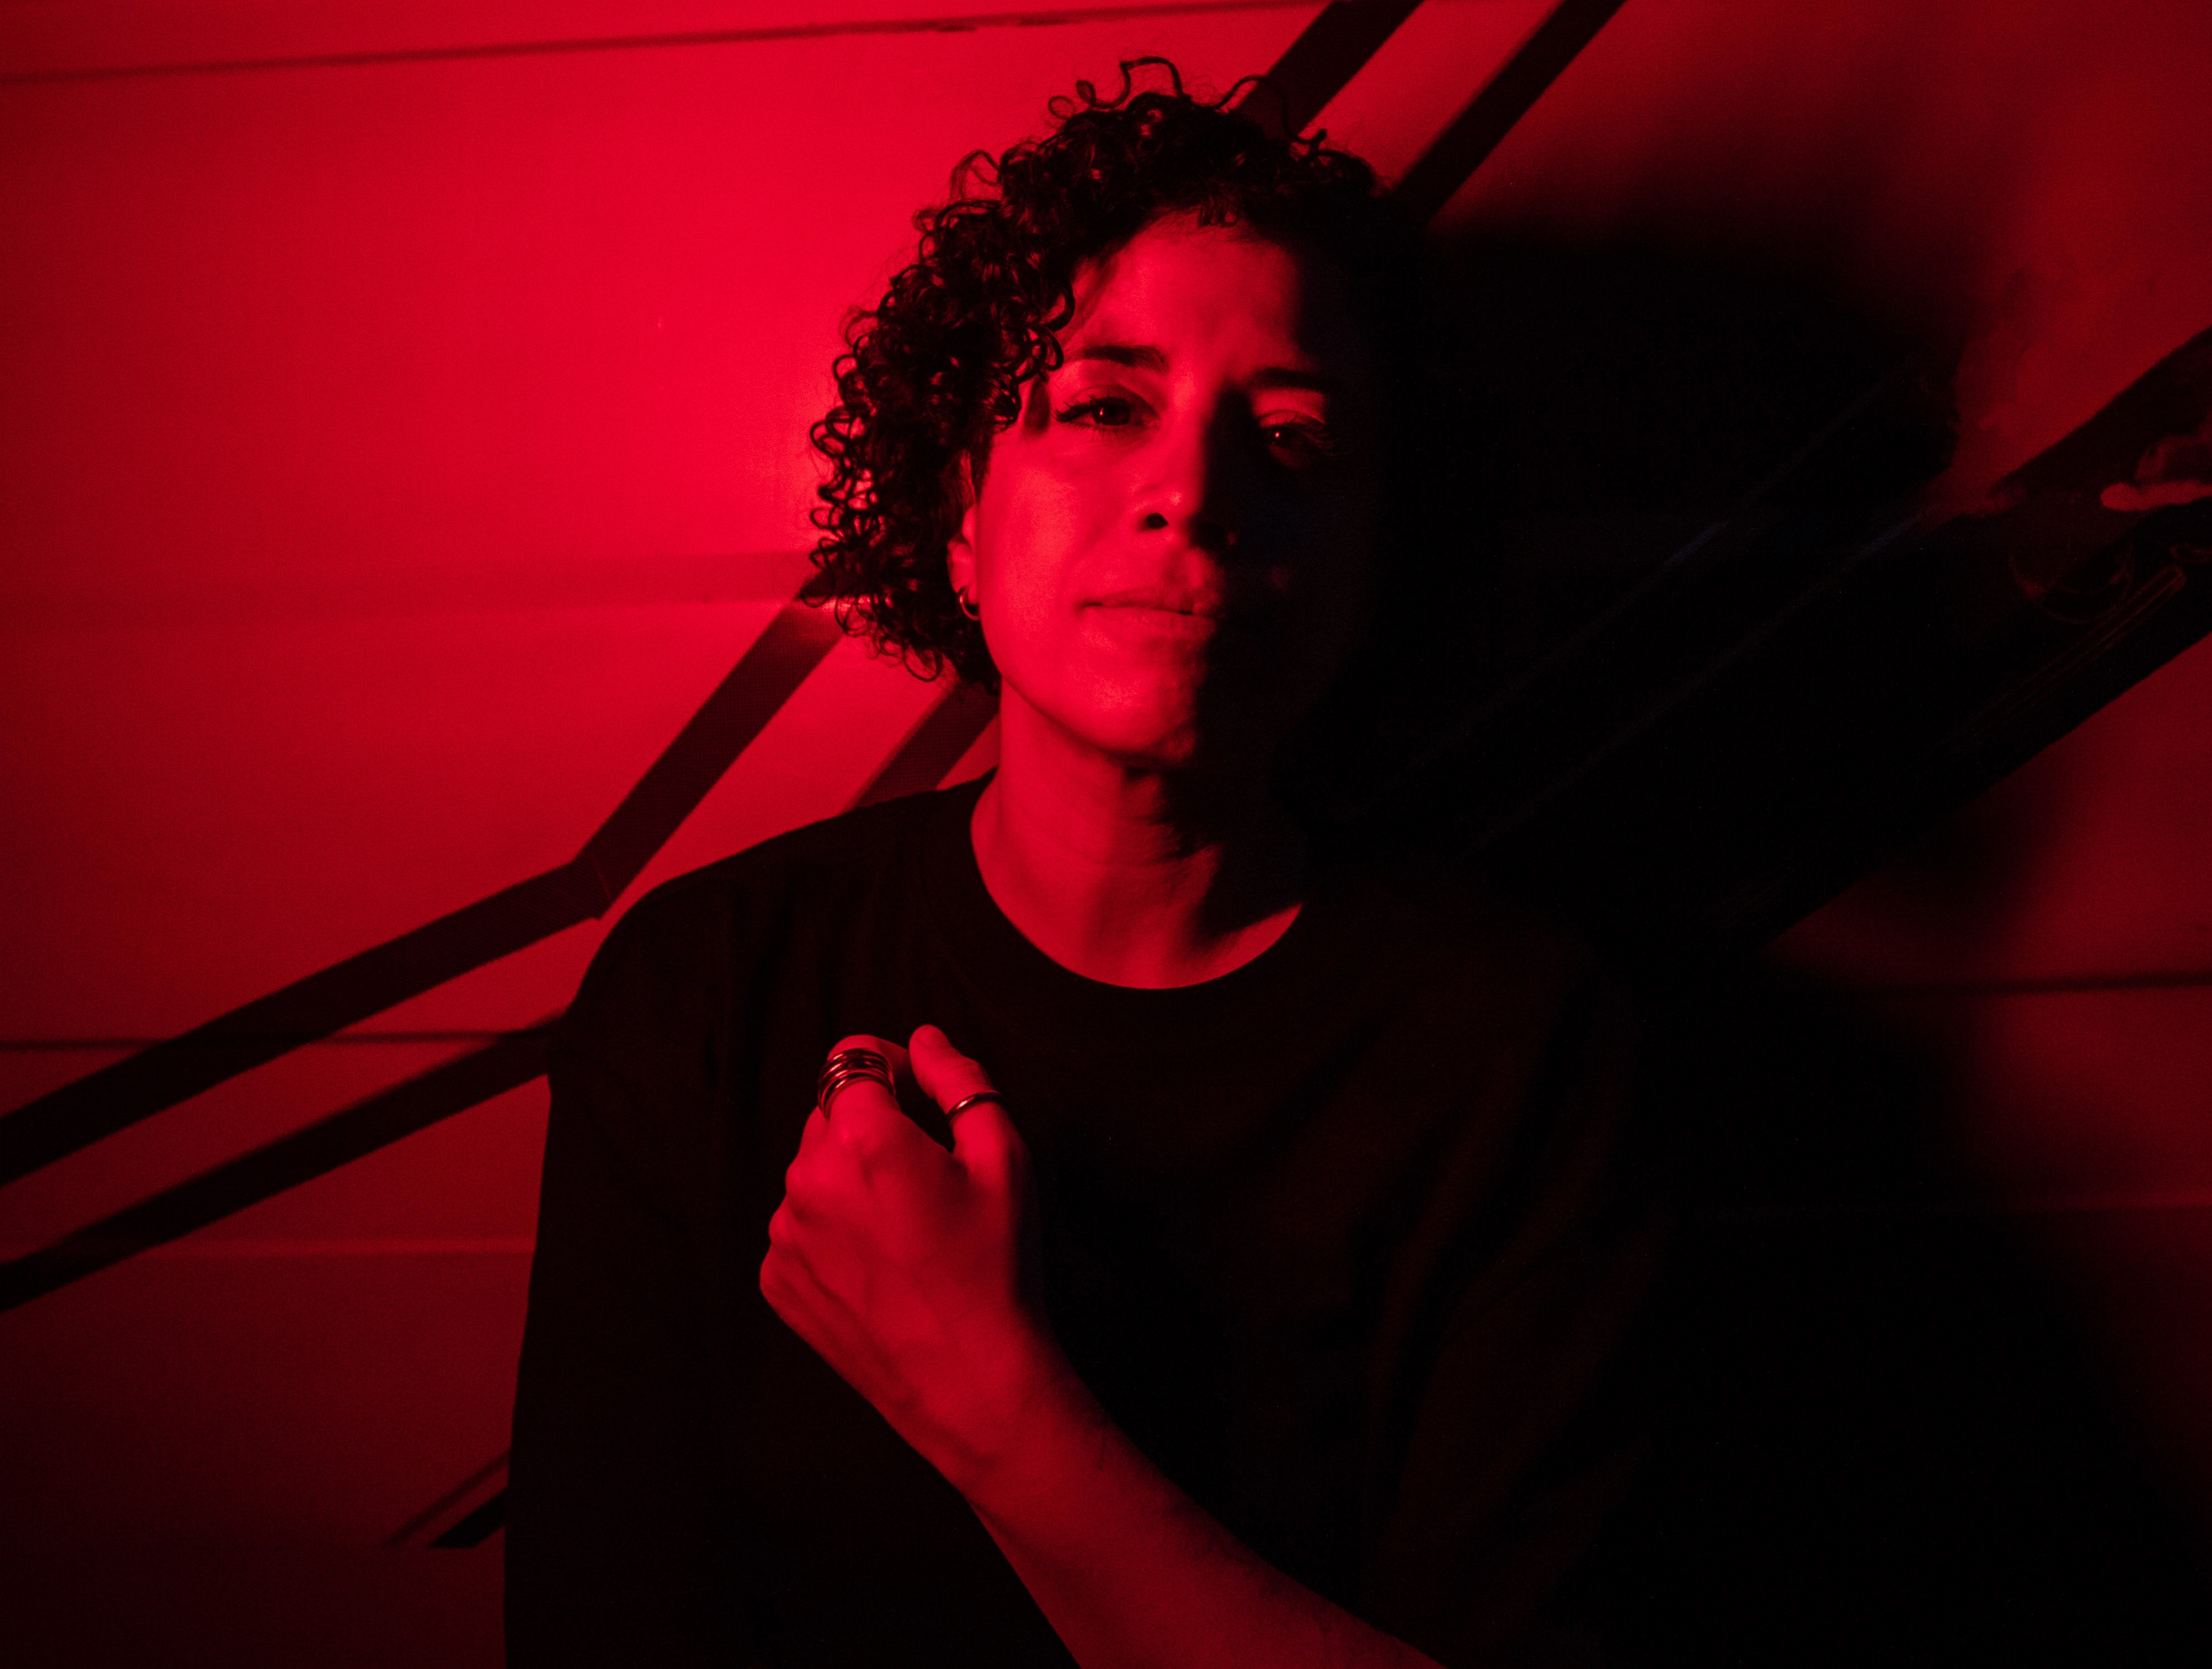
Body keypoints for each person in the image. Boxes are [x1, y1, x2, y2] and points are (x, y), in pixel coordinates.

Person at [503, 69, 1679, 1668]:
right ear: (959, 516)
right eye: (1103, 406)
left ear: (1373, 565)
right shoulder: (703, 990)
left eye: (1293, 439)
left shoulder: (1519, 1052)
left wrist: (992, 1406)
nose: (1193, 495)